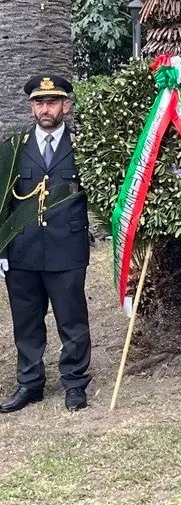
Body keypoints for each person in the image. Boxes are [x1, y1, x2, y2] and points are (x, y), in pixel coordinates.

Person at [0, 75, 91, 413]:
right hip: (22, 249)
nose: (46, 109)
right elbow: (2, 202)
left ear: (65, 106)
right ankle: (30, 384)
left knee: (72, 320)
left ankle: (75, 383)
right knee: (26, 320)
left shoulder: (83, 146)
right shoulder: (14, 147)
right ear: (32, 107)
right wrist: (2, 249)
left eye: (52, 102)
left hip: (66, 247)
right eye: (39, 103)